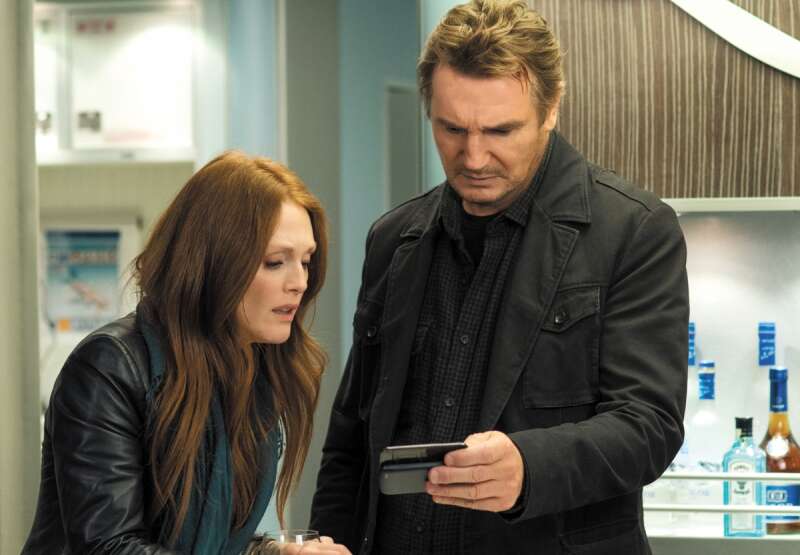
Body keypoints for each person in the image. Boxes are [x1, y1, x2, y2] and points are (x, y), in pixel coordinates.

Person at [310, 1, 689, 553]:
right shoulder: (393, 238)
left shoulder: (634, 230)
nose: (474, 157)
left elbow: (649, 424)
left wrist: (529, 468)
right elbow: (351, 438)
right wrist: (329, 540)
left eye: (500, 130)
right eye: (451, 129)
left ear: (551, 109)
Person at [23, 152, 351, 555]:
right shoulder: (109, 367)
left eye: (306, 261)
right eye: (274, 262)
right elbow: (109, 547)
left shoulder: (252, 373)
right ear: (213, 263)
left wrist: (274, 552)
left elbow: (209, 540)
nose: (299, 282)